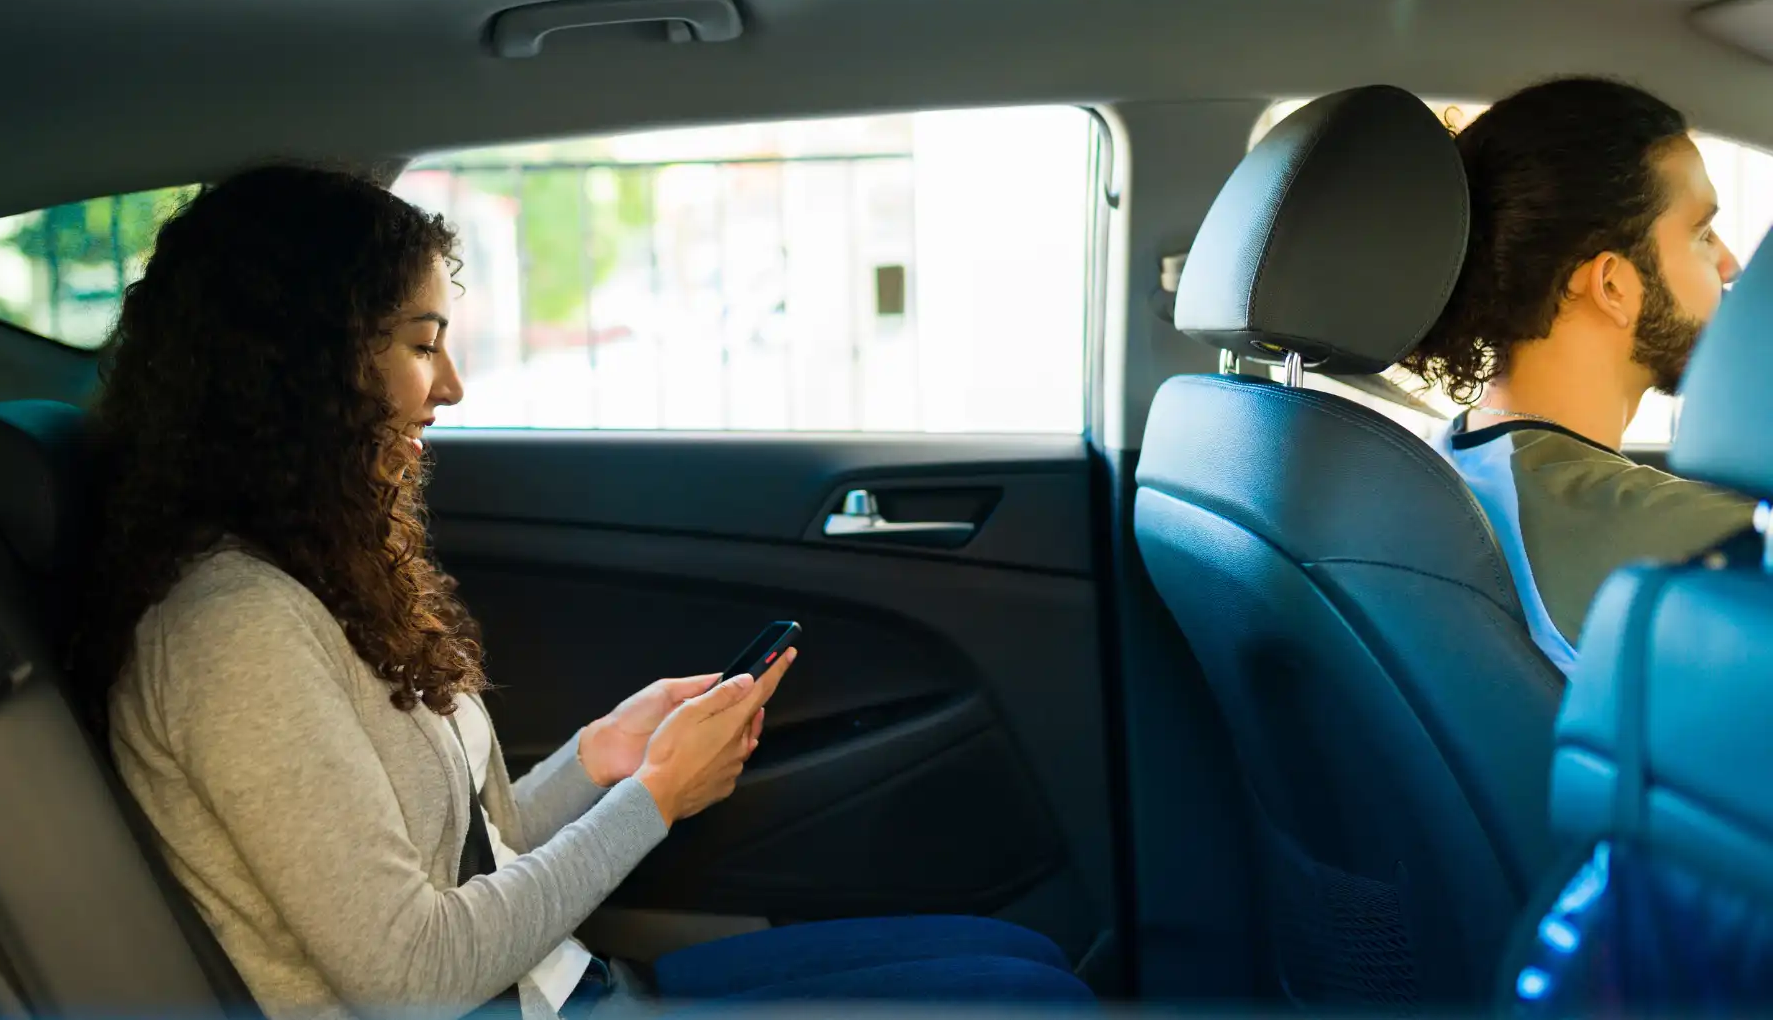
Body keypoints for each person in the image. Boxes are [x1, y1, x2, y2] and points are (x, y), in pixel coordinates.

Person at [79, 164, 1093, 1020]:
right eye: (422, 344)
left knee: (1020, 967)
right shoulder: (232, 633)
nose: (451, 387)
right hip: (537, 1003)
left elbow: (452, 862)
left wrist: (599, 758)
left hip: (566, 988)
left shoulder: (310, 579)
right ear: (304, 368)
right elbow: (410, 972)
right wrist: (652, 800)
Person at [1402, 77, 1756, 671]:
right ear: (1612, 284)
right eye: (1701, 234)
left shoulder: (1458, 457)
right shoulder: (1665, 531)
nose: (1730, 263)